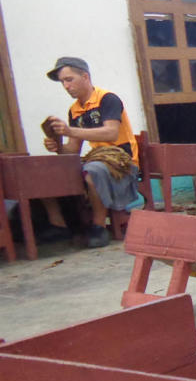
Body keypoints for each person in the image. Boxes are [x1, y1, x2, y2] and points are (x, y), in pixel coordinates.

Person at [42, 56, 139, 248]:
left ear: (85, 76)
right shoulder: (74, 110)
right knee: (48, 172)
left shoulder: (107, 99)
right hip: (97, 159)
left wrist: (70, 130)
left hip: (121, 159)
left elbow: (111, 132)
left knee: (92, 172)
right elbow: (73, 150)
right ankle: (59, 225)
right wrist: (58, 146)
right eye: (63, 82)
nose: (66, 86)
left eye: (69, 79)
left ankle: (98, 226)